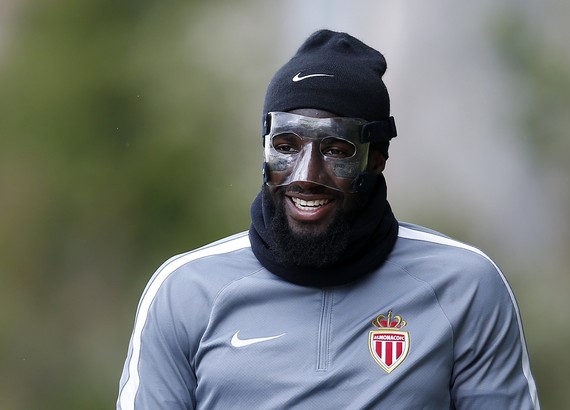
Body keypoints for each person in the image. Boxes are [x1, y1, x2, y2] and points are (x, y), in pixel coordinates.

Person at [117, 29, 540, 409]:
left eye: (336, 149)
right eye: (286, 145)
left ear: (377, 159)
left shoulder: (466, 286)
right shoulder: (183, 292)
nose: (306, 176)